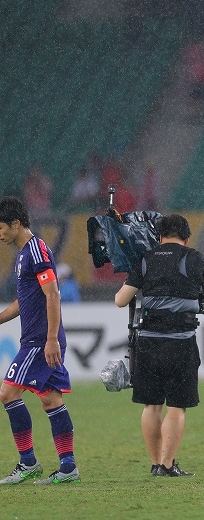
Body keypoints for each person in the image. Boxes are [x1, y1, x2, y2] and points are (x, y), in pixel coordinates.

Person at [115, 214, 204, 477]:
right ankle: (167, 464)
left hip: (148, 343)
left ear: (160, 236)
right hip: (180, 343)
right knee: (177, 405)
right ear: (187, 237)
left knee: (151, 405)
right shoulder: (193, 257)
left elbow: (120, 300)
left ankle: (155, 464)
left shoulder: (145, 259)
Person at [0, 197, 79, 485]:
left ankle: (28, 463)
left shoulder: (36, 250)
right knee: (50, 400)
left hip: (39, 341)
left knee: (8, 394)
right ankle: (68, 467)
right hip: (39, 339)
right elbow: (23, 302)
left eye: (0, 227)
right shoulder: (24, 254)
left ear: (15, 223)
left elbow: (53, 294)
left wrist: (51, 339)